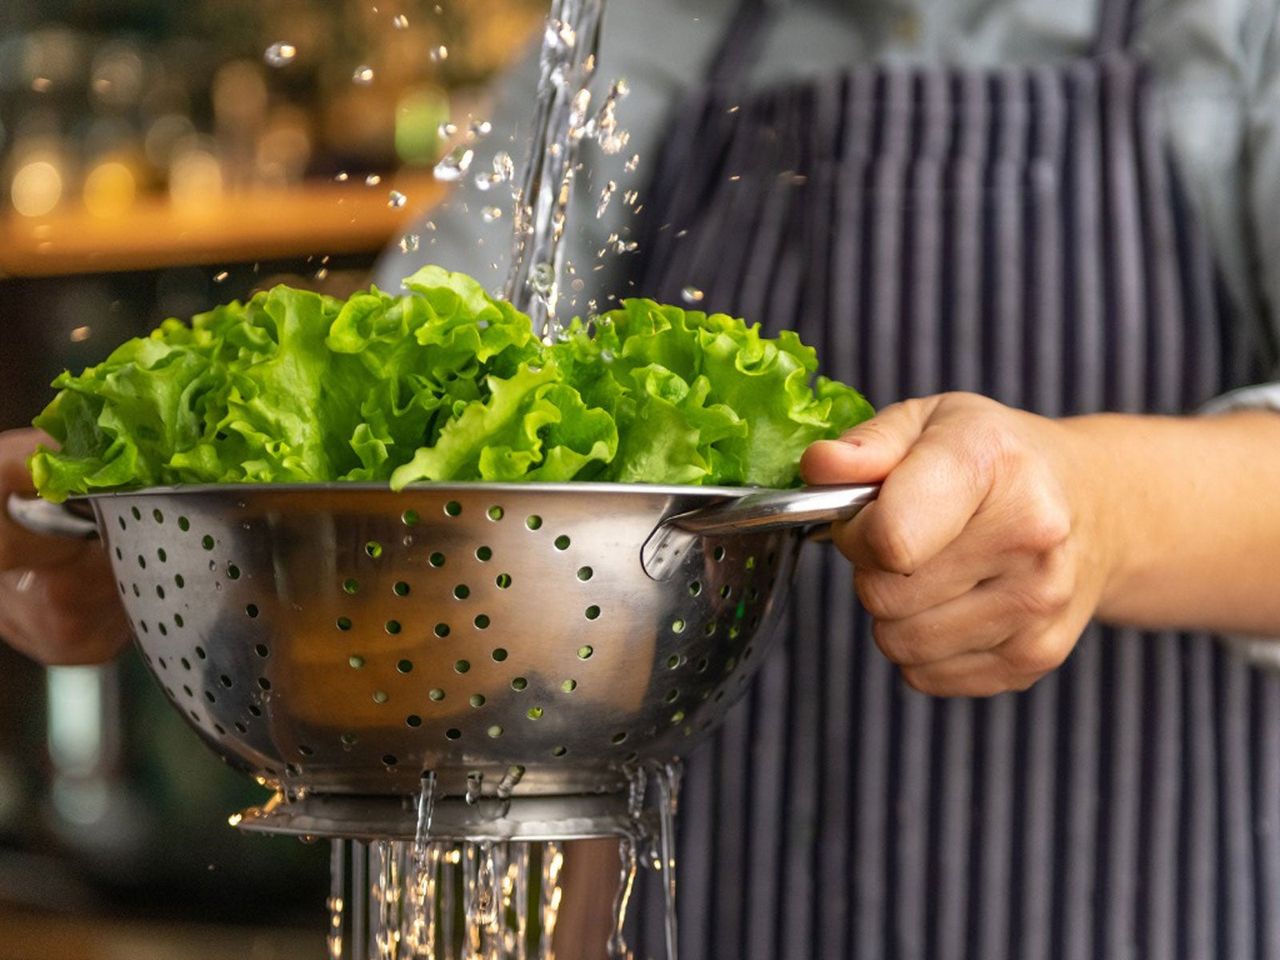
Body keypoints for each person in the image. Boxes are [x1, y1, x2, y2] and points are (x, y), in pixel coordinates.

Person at [5, 0, 1280, 956]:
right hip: (704, 905)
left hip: (1141, 897)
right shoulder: (662, 19)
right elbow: (419, 406)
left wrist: (1101, 508)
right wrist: (134, 510)